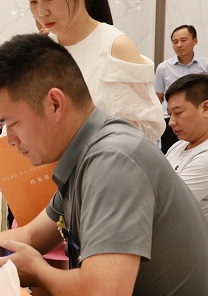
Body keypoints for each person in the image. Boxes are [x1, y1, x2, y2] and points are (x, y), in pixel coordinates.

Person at [0, 34, 208, 296]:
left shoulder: (113, 159)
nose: (10, 140)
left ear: (55, 104)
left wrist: (38, 271)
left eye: (13, 124)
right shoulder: (87, 153)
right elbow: (30, 236)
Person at [30, 0, 165, 141]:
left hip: (103, 155)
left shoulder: (115, 46)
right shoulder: (41, 50)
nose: (41, 12)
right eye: (33, 1)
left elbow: (147, 129)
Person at [154, 25, 208, 154]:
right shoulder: (163, 68)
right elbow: (158, 97)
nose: (179, 45)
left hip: (196, 118)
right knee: (169, 153)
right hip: (169, 119)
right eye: (175, 42)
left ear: (195, 41)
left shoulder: (205, 65)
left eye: (183, 40)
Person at [164, 73, 208, 222]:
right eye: (170, 114)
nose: (171, 122)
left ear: (206, 108)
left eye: (178, 113)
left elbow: (166, 205)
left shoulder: (205, 157)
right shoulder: (180, 145)